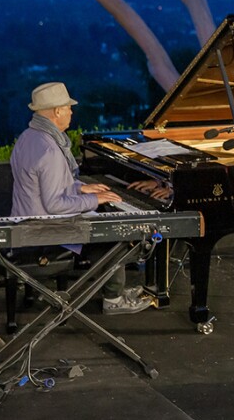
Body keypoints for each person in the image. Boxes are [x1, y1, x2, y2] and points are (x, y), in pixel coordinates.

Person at [10, 82, 151, 315]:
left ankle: (113, 291)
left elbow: (44, 183)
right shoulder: (50, 150)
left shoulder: (29, 137)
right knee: (116, 235)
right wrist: (96, 200)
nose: (71, 112)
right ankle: (114, 299)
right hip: (45, 228)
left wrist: (80, 188)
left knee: (101, 228)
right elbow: (55, 205)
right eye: (68, 108)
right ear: (56, 111)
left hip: (25, 220)